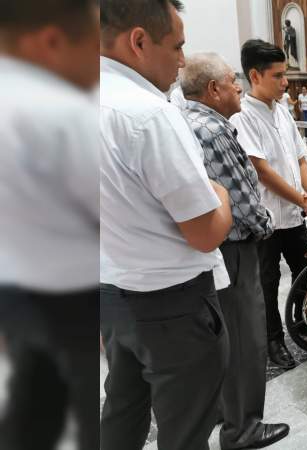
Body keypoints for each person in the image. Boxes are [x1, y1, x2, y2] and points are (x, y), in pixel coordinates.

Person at [99, 1, 235, 449]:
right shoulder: (148, 114)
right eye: (176, 46)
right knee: (186, 430)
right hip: (171, 307)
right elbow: (205, 233)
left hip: (110, 291)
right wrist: (221, 194)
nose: (182, 61)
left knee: (122, 413)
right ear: (138, 41)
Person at [180, 53, 292, 449]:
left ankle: (226, 414)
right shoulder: (212, 129)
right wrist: (264, 227)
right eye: (232, 81)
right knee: (246, 339)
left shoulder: (187, 121)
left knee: (223, 337)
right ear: (213, 90)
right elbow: (241, 196)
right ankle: (243, 428)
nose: (238, 86)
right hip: (234, 247)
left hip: (211, 248)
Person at [0, 1, 99, 449]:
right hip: (65, 296)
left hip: (16, 287)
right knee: (72, 412)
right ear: (52, 42)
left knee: (33, 404)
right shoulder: (59, 110)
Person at [231, 39, 307, 370]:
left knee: (306, 274)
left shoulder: (282, 111)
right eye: (279, 75)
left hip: (295, 216)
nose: (286, 82)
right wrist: (303, 198)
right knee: (268, 284)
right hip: (267, 221)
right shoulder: (243, 117)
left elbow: (300, 158)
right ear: (255, 75)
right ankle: (273, 340)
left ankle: (305, 325)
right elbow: (262, 171)